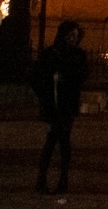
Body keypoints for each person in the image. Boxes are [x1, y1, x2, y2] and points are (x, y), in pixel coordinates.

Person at [32, 20, 89, 193]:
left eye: (75, 36)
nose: (73, 39)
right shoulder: (50, 53)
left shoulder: (79, 54)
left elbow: (83, 76)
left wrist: (68, 78)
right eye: (70, 35)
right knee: (51, 139)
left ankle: (63, 179)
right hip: (52, 103)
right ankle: (42, 178)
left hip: (68, 103)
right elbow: (37, 76)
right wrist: (50, 83)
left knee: (63, 140)